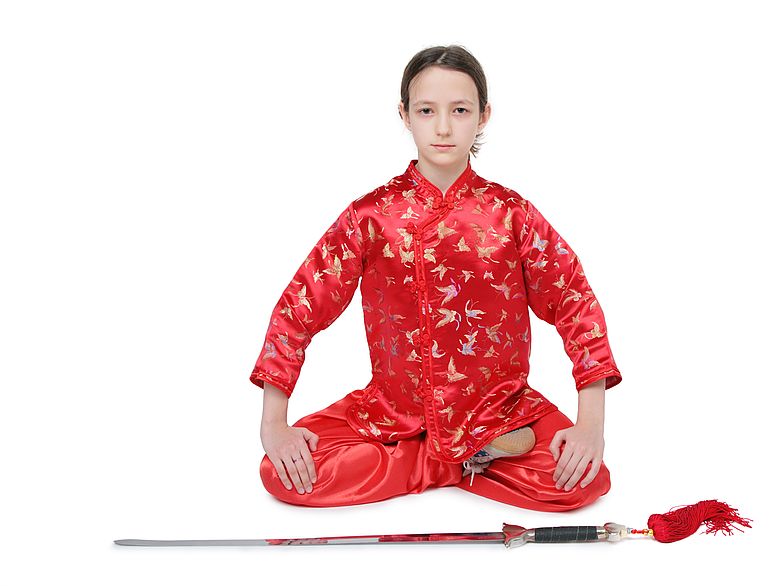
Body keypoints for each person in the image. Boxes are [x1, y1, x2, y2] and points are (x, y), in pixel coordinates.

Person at [250, 44, 622, 512]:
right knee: (281, 471)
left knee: (584, 479)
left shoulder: (511, 214)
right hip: (390, 414)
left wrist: (590, 425)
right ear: (405, 115)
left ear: (483, 116)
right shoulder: (372, 215)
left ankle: (456, 453)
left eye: (460, 110)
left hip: (500, 412)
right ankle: (456, 461)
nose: (443, 127)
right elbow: (300, 305)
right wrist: (274, 424)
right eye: (427, 110)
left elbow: (576, 304)